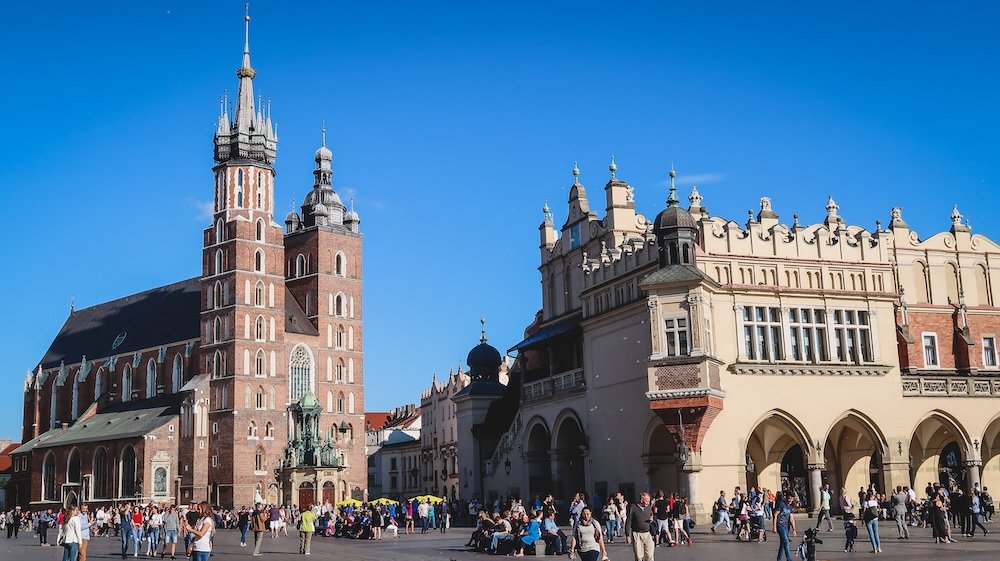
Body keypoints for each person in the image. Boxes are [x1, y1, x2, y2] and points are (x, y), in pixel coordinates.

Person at [625, 491, 654, 561]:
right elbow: (628, 520)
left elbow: (651, 515)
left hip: (647, 534)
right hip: (637, 534)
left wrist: (651, 519)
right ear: (641, 500)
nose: (648, 503)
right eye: (647, 501)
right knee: (639, 557)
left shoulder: (648, 507)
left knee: (650, 555)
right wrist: (627, 535)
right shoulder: (633, 507)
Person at [772, 489, 797, 561]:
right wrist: (774, 527)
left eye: (792, 499)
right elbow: (775, 515)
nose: (790, 500)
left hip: (787, 527)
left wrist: (794, 529)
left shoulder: (790, 506)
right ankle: (789, 559)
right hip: (780, 525)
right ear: (786, 497)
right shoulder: (781, 504)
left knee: (783, 543)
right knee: (786, 541)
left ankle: (779, 559)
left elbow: (791, 518)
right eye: (789, 498)